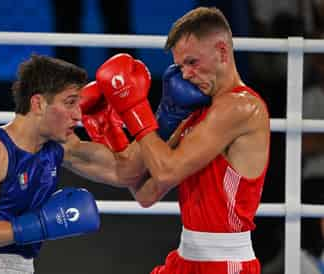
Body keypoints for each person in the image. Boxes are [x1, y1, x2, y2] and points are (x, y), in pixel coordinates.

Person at [95, 7, 271, 274]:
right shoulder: (196, 113)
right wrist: (114, 131)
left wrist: (135, 110)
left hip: (224, 264)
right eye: (180, 66)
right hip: (185, 258)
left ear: (222, 51)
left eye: (192, 62)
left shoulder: (241, 107)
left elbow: (166, 172)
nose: (185, 74)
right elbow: (145, 192)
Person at [0, 54, 138, 273]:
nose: (78, 115)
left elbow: (125, 173)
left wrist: (154, 117)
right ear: (38, 103)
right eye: (69, 103)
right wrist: (38, 226)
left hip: (25, 267)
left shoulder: (59, 147)